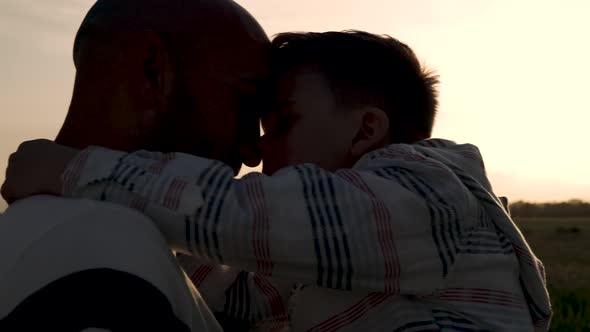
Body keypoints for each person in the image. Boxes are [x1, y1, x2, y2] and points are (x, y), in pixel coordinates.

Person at [3, 31, 552, 331]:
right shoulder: (332, 256)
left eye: (282, 122)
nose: (258, 148)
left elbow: (250, 217)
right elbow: (236, 288)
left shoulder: (427, 190)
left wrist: (76, 169)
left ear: (365, 131)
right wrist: (133, 226)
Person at [0, 0, 271, 330]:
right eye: (247, 104)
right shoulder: (107, 250)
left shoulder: (48, 238)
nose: (254, 154)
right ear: (151, 70)